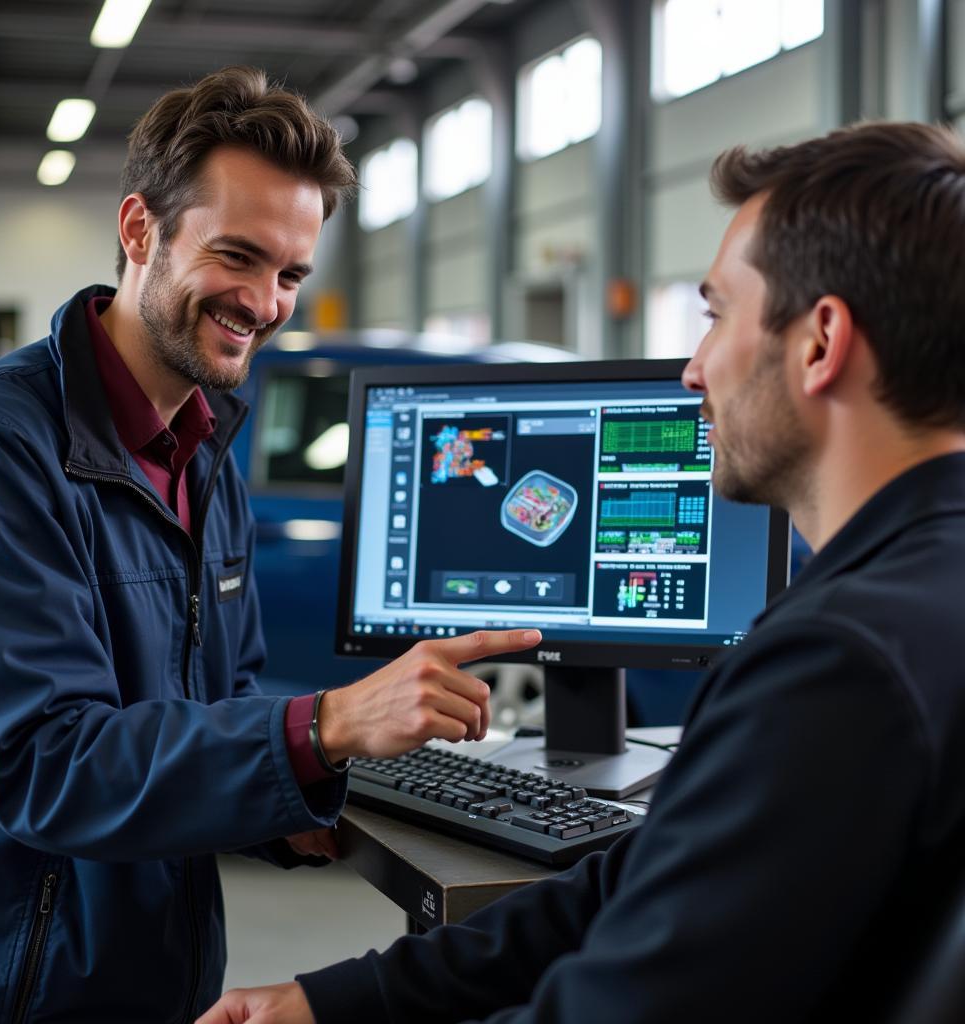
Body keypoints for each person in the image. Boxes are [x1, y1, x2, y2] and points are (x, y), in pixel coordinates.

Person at [198, 119, 965, 1024]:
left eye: (716, 316)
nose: (692, 369)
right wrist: (338, 1003)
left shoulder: (837, 664)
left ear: (819, 341)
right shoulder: (919, 605)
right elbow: (638, 886)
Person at [0, 66, 540, 1023]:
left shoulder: (207, 443)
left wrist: (292, 794)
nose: (264, 302)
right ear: (140, 230)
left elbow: (217, 702)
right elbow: (43, 763)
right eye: (239, 257)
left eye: (291, 274)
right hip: (20, 984)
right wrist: (323, 726)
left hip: (161, 975)